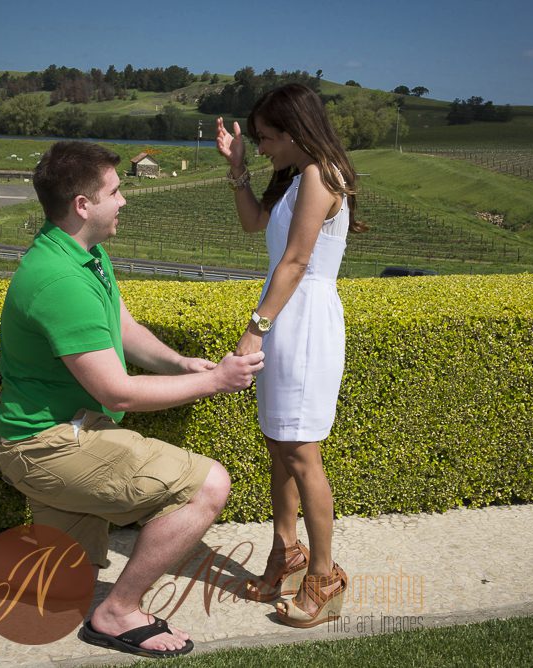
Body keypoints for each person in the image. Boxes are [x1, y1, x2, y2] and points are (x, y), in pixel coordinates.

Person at [0, 141, 264, 658]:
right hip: (49, 446)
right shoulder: (58, 279)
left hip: (61, 436)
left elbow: (121, 326)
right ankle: (118, 612)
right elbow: (115, 390)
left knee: (61, 582)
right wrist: (216, 381)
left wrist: (182, 364)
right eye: (115, 191)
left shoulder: (82, 252)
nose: (124, 201)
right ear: (83, 204)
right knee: (209, 485)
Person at [215, 83, 363, 628]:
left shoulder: (322, 175)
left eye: (267, 138)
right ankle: (286, 555)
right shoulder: (298, 176)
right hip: (284, 317)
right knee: (279, 445)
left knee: (302, 451)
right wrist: (237, 169)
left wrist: (255, 329)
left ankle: (324, 577)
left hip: (301, 322)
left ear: (296, 130)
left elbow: (298, 261)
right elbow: (254, 223)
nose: (262, 148)